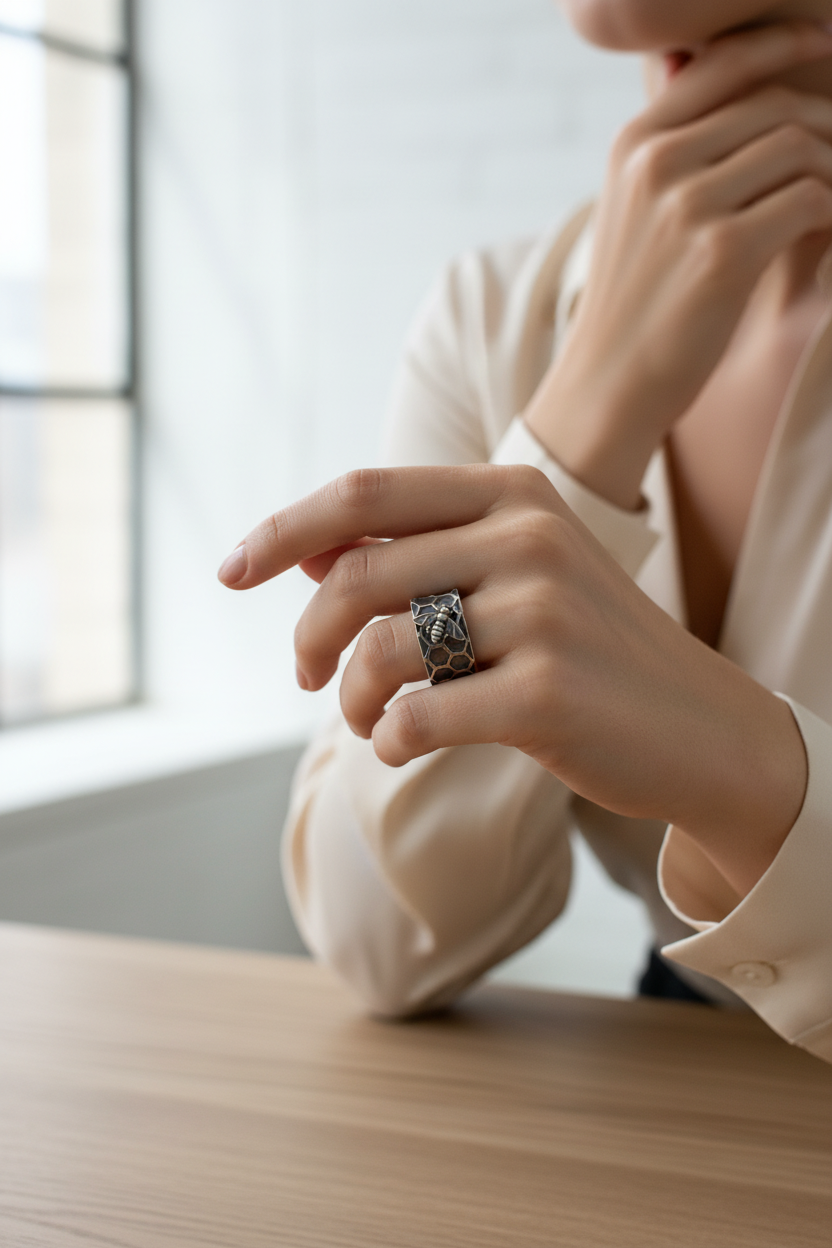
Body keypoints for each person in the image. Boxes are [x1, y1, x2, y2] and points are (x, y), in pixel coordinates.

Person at [218, 2, 832, 1062]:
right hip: (669, 1108)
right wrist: (589, 413)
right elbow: (382, 944)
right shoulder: (496, 318)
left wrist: (741, 769)